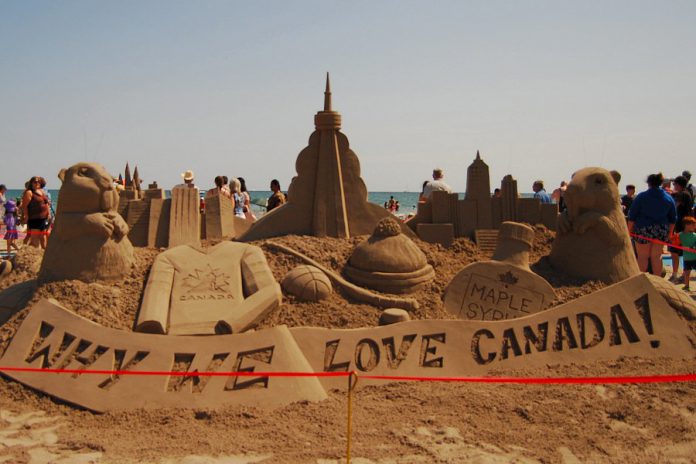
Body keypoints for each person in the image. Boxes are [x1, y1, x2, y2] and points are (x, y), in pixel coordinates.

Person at [627, 173, 676, 276]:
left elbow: (632, 216)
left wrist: (628, 231)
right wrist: (669, 234)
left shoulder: (642, 196)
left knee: (642, 256)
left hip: (644, 229)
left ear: (648, 183)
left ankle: (641, 281)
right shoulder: (668, 198)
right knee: (656, 256)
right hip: (661, 230)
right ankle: (657, 282)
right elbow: (673, 218)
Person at [668, 175, 694, 281]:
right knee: (685, 252)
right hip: (685, 227)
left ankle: (675, 274)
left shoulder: (682, 194)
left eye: (675, 184)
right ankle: (683, 274)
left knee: (674, 252)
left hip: (680, 228)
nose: (674, 186)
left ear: (679, 185)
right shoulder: (688, 194)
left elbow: (675, 206)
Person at [21, 176, 51, 249]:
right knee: (35, 240)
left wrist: (49, 214)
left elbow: (46, 203)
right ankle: (29, 255)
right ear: (31, 183)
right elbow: (24, 206)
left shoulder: (41, 191)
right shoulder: (29, 192)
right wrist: (26, 216)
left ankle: (43, 255)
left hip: (43, 219)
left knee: (43, 238)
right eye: (35, 181)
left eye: (39, 181)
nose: (37, 183)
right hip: (34, 219)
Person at [679, 216, 696, 291]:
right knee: (687, 272)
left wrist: (691, 248)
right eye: (693, 225)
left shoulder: (695, 236)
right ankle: (686, 285)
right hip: (687, 258)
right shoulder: (680, 235)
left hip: (695, 257)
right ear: (686, 225)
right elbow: (676, 243)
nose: (695, 227)